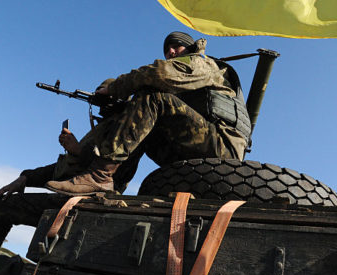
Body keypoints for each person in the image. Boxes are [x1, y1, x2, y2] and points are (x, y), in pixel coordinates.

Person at [45, 31, 252, 196]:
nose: (170, 52)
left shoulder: (201, 62)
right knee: (139, 127)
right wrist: (121, 107)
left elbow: (160, 74)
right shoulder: (184, 80)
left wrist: (115, 88)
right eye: (167, 49)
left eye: (176, 46)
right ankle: (109, 188)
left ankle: (100, 175)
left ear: (189, 48)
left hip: (223, 145)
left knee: (152, 98)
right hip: (198, 147)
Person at [0, 120, 140, 254]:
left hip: (92, 205)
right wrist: (26, 177)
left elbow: (111, 174)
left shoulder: (131, 129)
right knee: (3, 203)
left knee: (4, 206)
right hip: (73, 198)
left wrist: (79, 151)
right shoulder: (103, 129)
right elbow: (64, 169)